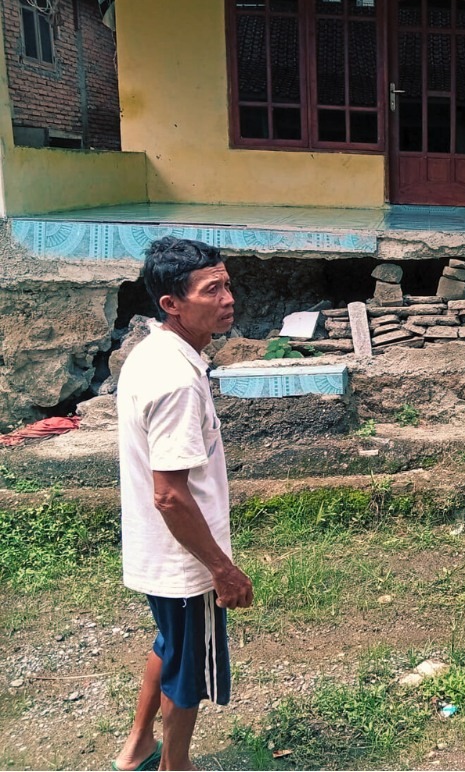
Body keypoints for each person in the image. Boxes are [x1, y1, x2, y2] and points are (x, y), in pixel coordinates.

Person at [113, 237, 253, 771]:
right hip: (185, 559)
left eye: (227, 284)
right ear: (171, 304)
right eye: (211, 289)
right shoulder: (175, 380)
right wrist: (222, 569)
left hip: (160, 552)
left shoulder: (157, 352)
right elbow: (170, 495)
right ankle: (177, 765)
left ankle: (137, 748)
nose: (227, 298)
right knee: (187, 670)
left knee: (170, 644)